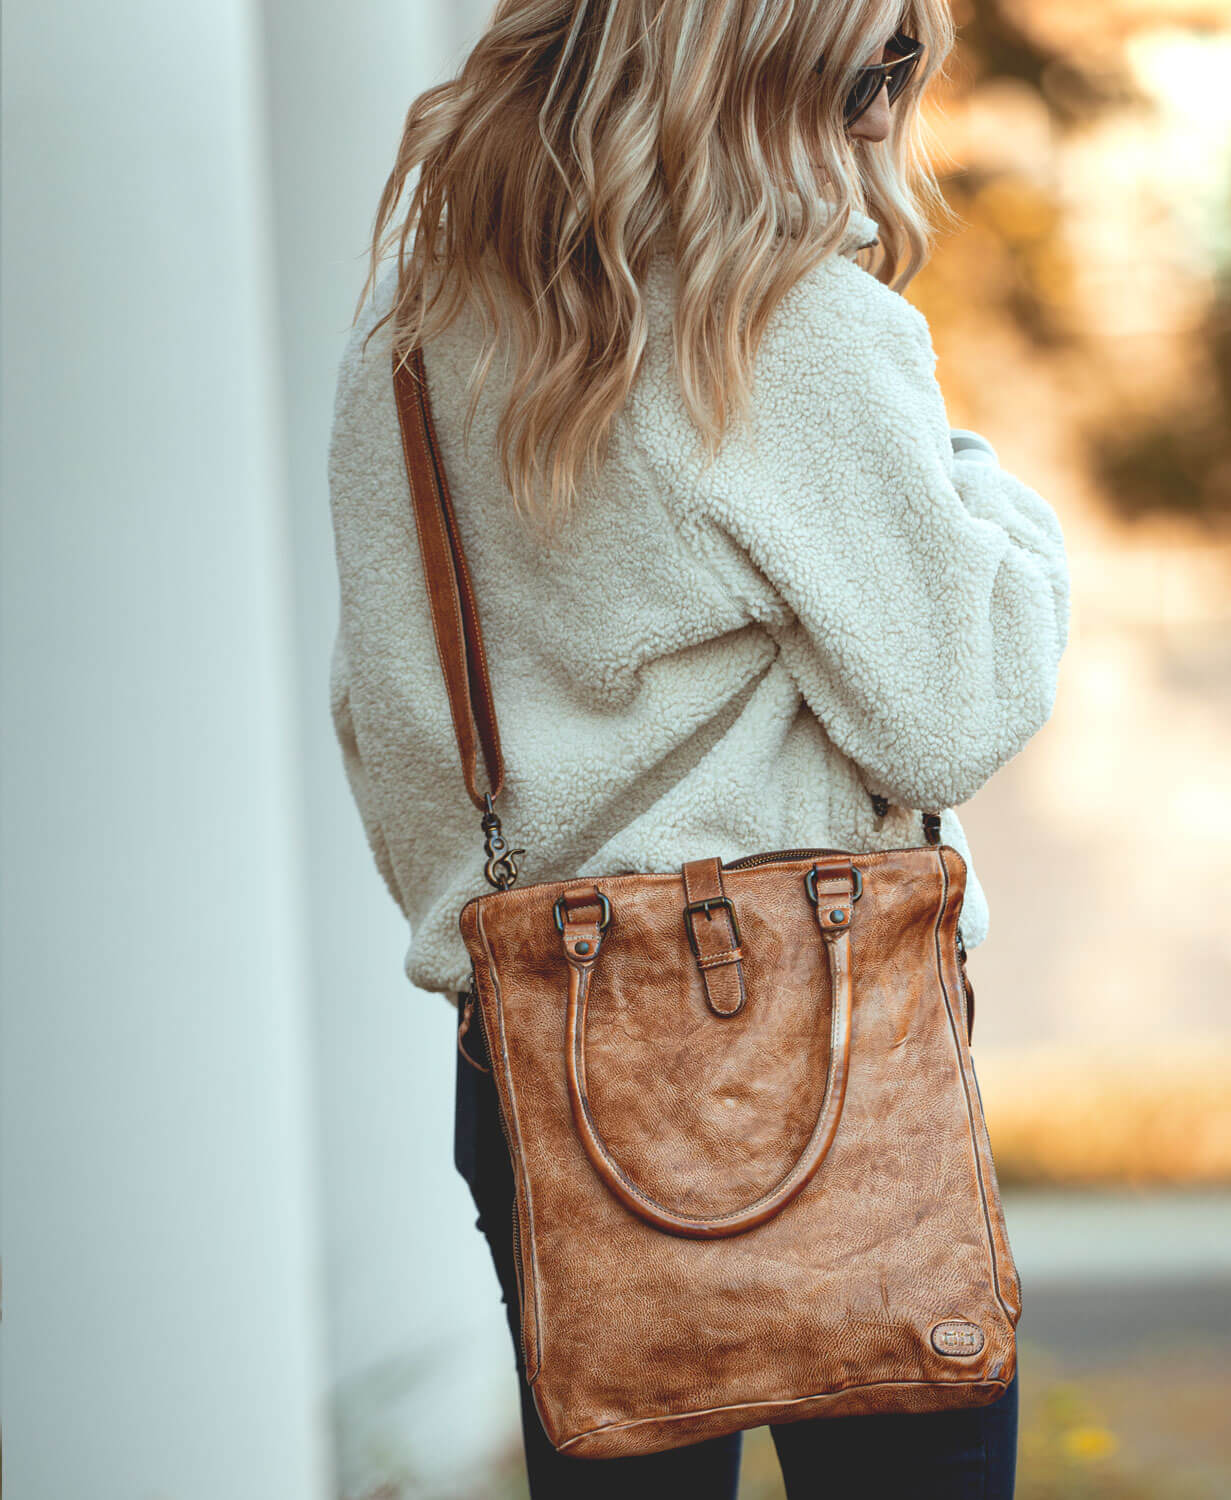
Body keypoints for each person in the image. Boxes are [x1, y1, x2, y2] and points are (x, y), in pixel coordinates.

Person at [327, 2, 1069, 1495]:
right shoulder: (790, 326)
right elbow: (956, 700)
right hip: (834, 1036)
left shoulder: (410, 336)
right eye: (880, 64)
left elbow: (390, 728)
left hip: (541, 1055)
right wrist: (979, 486)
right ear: (769, 64)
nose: (889, 107)